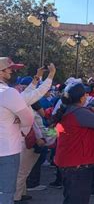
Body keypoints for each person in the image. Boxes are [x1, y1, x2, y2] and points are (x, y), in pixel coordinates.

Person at [53, 82, 94, 204]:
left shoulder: (66, 110)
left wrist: (89, 110)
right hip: (78, 165)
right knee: (78, 199)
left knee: (70, 197)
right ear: (81, 97)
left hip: (67, 162)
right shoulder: (81, 113)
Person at [14, 64, 56, 203]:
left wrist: (38, 76)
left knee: (24, 170)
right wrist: (51, 75)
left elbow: (31, 91)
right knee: (23, 171)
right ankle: (17, 197)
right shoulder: (23, 101)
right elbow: (38, 93)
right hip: (28, 141)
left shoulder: (20, 99)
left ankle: (22, 192)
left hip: (28, 140)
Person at [0, 57, 35, 204]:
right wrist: (16, 120)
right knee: (6, 192)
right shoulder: (8, 93)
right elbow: (28, 119)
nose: (12, 72)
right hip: (7, 150)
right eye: (10, 69)